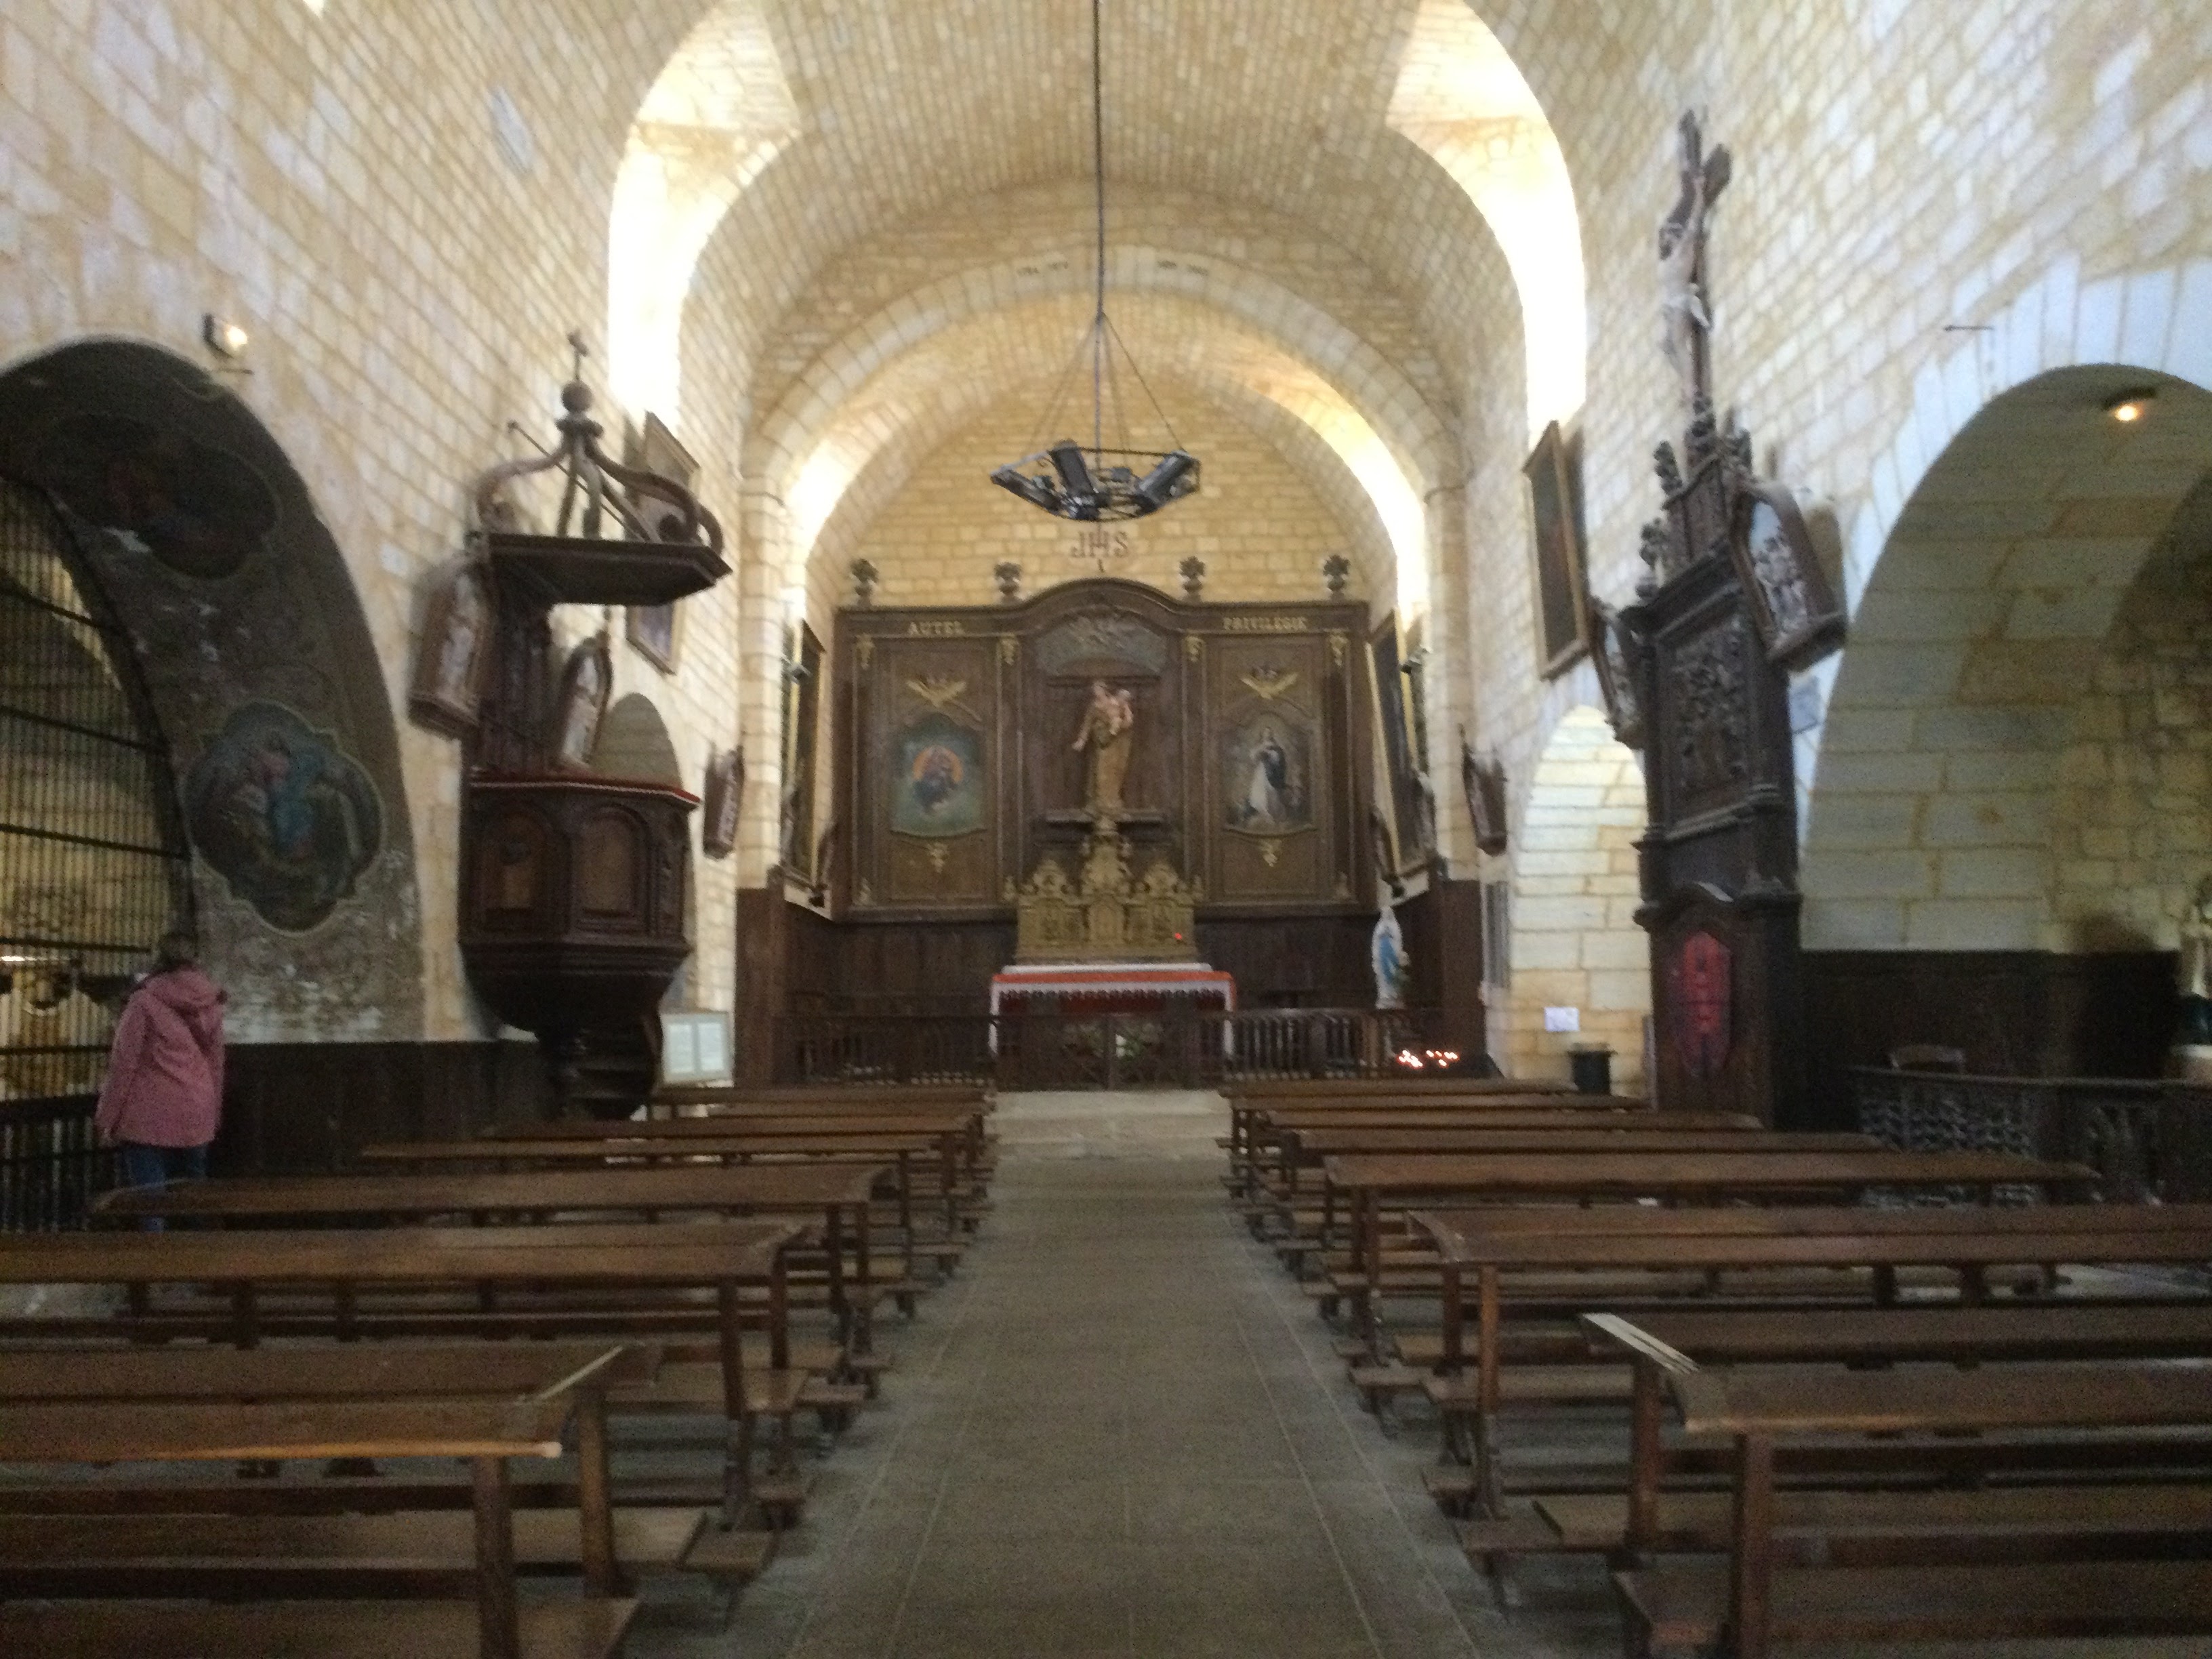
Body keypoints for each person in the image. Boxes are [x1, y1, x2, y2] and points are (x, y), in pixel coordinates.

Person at [95, 931, 226, 1225]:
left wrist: (106, 1119)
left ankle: (155, 1252)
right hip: (196, 1112)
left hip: (148, 1117)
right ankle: (201, 1253)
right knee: (194, 1201)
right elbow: (216, 1065)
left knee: (151, 1201)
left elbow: (124, 1064)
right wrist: (213, 1114)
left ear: (159, 958)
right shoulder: (211, 1002)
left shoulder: (143, 1002)